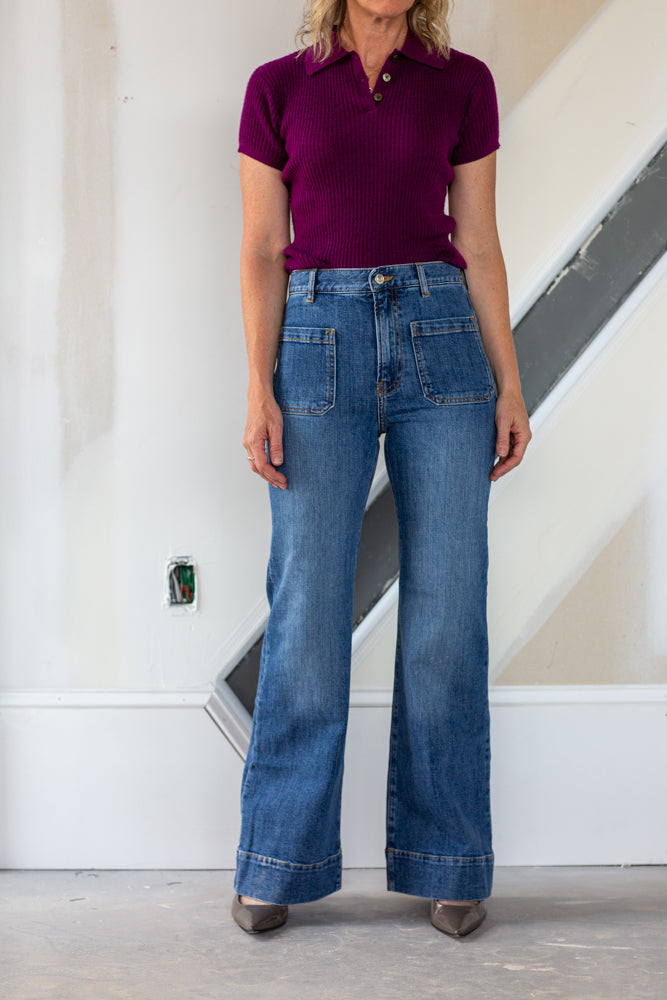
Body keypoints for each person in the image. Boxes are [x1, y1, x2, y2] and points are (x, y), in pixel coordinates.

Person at [232, 0, 531, 936]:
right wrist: (258, 388)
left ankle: (449, 859)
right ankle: (278, 860)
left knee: (448, 611)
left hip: (442, 338)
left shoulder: (462, 83)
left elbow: (477, 242)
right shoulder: (278, 89)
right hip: (316, 339)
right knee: (307, 608)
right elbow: (261, 250)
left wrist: (510, 385)